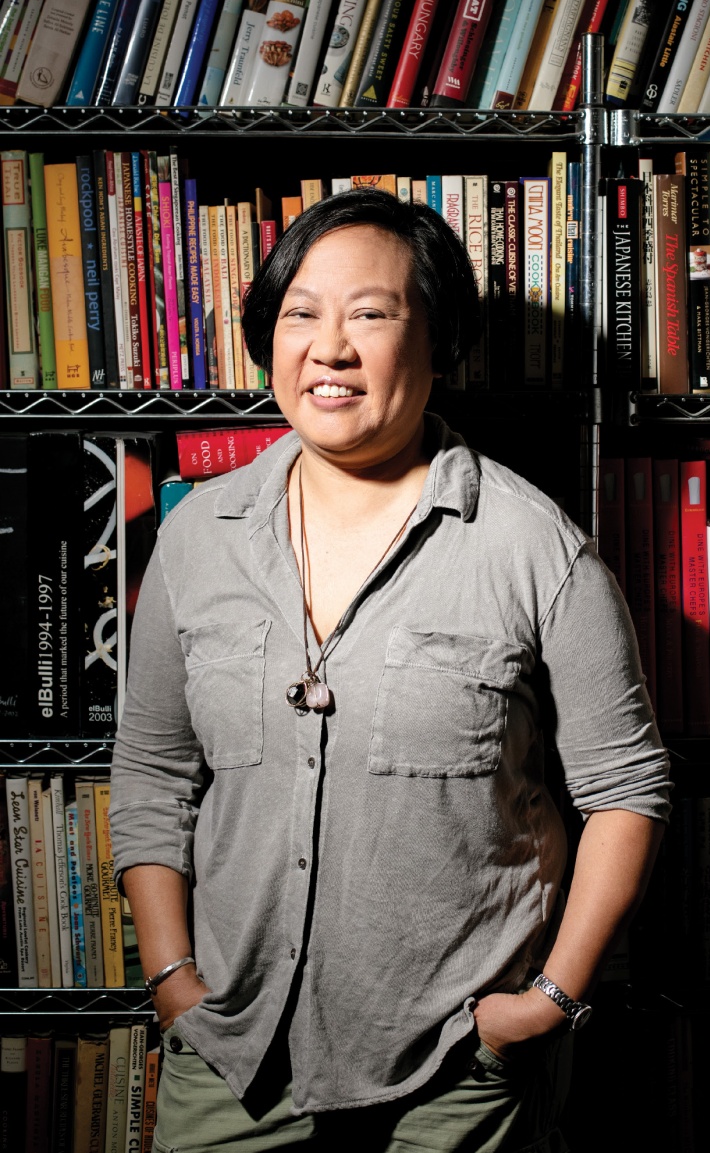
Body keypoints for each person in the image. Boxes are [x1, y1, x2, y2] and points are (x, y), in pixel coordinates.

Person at [109, 188, 671, 1153]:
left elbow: (627, 789)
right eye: (300, 312)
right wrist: (172, 979)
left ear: (438, 340)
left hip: (456, 1064)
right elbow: (154, 771)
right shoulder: (197, 535)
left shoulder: (536, 550)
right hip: (234, 1048)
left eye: (370, 312)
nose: (329, 347)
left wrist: (545, 1000)